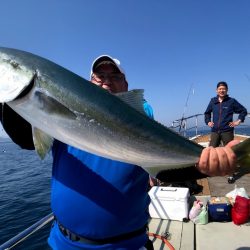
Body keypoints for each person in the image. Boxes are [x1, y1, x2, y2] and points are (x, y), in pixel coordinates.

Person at [0, 57, 239, 250]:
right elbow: (25, 139)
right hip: (64, 243)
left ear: (126, 87)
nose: (106, 81)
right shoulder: (60, 123)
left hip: (127, 245)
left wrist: (203, 166)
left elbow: (164, 172)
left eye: (115, 77)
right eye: (99, 76)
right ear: (88, 82)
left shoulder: (141, 124)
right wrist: (11, 97)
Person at [204, 81, 247, 147]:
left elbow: (243, 111)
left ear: (227, 90)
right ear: (216, 90)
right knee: (211, 149)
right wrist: (208, 121)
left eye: (224, 89)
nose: (222, 90)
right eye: (220, 89)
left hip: (227, 131)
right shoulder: (213, 101)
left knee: (229, 150)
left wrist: (238, 121)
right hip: (215, 131)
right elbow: (207, 113)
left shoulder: (231, 101)